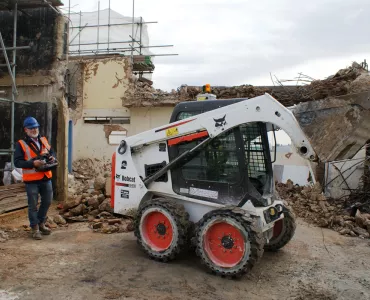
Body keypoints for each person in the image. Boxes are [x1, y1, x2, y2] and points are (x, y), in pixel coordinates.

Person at [14, 117, 56, 240]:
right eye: (31, 128)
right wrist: (33, 164)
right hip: (31, 180)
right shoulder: (21, 144)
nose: (34, 130)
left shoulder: (43, 140)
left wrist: (52, 157)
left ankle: (41, 223)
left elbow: (51, 152)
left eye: (36, 127)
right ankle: (35, 228)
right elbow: (17, 162)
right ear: (26, 130)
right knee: (33, 205)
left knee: (48, 201)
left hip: (45, 177)